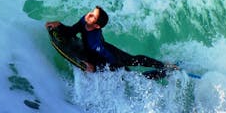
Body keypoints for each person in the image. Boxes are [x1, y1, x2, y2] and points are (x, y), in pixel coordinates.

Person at [45, 6, 179, 76]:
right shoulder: (85, 20)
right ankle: (165, 68)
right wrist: (59, 25)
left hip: (109, 57)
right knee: (133, 62)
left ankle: (165, 70)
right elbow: (72, 31)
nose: (89, 14)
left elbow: (104, 58)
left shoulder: (94, 42)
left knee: (133, 71)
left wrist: (93, 66)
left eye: (93, 15)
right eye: (92, 12)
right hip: (105, 49)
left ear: (96, 26)